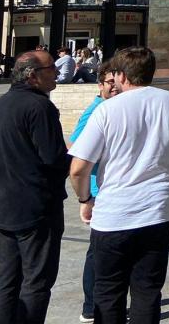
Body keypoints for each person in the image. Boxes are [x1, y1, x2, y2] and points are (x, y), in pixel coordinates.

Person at [68, 47, 169, 324]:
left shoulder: (107, 110)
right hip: (160, 211)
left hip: (114, 215)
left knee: (109, 291)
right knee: (147, 291)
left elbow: (78, 168)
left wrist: (85, 200)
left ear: (121, 75)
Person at [0, 50, 70, 324]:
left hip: (5, 203)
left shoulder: (3, 103)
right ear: (33, 75)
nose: (57, 72)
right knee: (36, 280)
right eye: (51, 68)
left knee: (7, 278)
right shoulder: (39, 107)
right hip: (36, 208)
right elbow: (53, 158)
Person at [68, 63, 119, 322]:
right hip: (99, 191)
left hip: (108, 190)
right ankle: (90, 306)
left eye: (116, 81)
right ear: (99, 84)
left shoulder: (110, 108)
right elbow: (76, 147)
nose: (113, 86)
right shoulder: (96, 110)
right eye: (108, 82)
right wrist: (87, 197)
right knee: (97, 253)